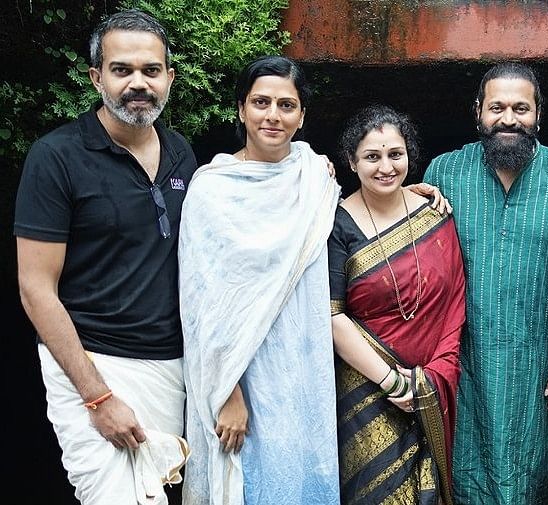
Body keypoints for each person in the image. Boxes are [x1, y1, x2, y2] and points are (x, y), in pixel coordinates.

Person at [14, 9, 195, 504]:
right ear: (97, 77)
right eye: (122, 70)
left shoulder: (181, 153)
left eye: (150, 70)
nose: (138, 83)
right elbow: (35, 289)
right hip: (94, 366)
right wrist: (97, 396)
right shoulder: (56, 158)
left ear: (169, 78)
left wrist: (312, 175)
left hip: (172, 369)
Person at [423, 62, 548, 504]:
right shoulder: (445, 173)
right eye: (497, 107)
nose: (508, 119)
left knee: (533, 480)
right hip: (466, 362)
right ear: (477, 111)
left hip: (539, 363)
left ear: (539, 113)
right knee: (464, 477)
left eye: (521, 108)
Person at [178, 56, 341, 504]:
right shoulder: (211, 188)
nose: (273, 115)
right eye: (261, 102)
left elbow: (370, 205)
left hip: (304, 372)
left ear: (303, 115)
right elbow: (200, 302)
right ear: (241, 109)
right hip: (238, 376)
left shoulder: (315, 178)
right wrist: (226, 390)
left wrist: (415, 193)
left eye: (287, 105)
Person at [328, 104, 466, 504]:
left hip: (431, 379)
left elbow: (455, 299)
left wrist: (423, 379)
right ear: (352, 162)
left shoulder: (433, 213)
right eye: (372, 156)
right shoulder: (336, 224)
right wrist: (392, 382)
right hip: (366, 388)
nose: (385, 167)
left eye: (395, 155)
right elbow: (331, 314)